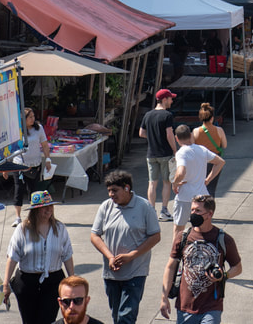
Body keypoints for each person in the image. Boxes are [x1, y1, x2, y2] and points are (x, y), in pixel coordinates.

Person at [90, 171, 162, 324]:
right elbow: (94, 235)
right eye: (109, 190)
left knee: (126, 317)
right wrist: (110, 257)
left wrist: (132, 255)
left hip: (136, 272)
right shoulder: (106, 207)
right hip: (111, 273)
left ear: (127, 188)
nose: (111, 195)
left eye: (114, 190)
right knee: (117, 316)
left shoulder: (144, 207)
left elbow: (155, 236)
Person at [160, 195, 242, 324]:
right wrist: (164, 298)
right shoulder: (183, 237)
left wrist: (224, 275)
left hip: (211, 307)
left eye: (197, 211)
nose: (193, 214)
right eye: (192, 210)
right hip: (185, 306)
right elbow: (170, 267)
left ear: (209, 214)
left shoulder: (224, 239)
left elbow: (237, 267)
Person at [3, 191, 76, 324]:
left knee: (47, 320)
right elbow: (12, 257)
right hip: (26, 281)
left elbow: (67, 255)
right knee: (29, 320)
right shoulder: (22, 229)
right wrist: (5, 284)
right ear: (35, 210)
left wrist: (73, 280)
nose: (49, 210)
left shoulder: (59, 228)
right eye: (44, 207)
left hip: (53, 281)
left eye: (50, 206)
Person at [172, 125, 225, 236]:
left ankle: (176, 252)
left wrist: (175, 183)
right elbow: (220, 162)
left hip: (185, 197)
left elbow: (181, 172)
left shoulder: (181, 153)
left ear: (176, 138)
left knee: (179, 229)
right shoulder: (202, 149)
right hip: (202, 196)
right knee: (203, 228)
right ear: (191, 135)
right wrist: (208, 179)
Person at [138, 89, 178, 222]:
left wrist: (152, 138)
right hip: (165, 153)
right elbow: (169, 134)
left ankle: (151, 211)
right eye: (170, 98)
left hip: (151, 154)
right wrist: (174, 149)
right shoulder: (167, 115)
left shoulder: (148, 115)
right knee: (166, 182)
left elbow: (141, 133)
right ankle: (164, 211)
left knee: (152, 183)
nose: (172, 101)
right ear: (165, 99)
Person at [13, 106, 54, 227]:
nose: (33, 119)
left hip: (35, 164)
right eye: (30, 117)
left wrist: (48, 159)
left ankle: (34, 215)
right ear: (23, 119)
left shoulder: (38, 129)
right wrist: (6, 166)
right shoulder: (17, 130)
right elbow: (11, 149)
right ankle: (17, 217)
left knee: (34, 191)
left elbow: (45, 145)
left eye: (33, 116)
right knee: (18, 190)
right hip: (19, 164)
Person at [192, 104, 228, 198]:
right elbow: (224, 145)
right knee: (211, 187)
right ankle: (209, 207)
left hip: (200, 161)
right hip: (215, 161)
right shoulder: (219, 130)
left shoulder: (196, 131)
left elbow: (192, 148)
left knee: (200, 186)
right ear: (212, 118)